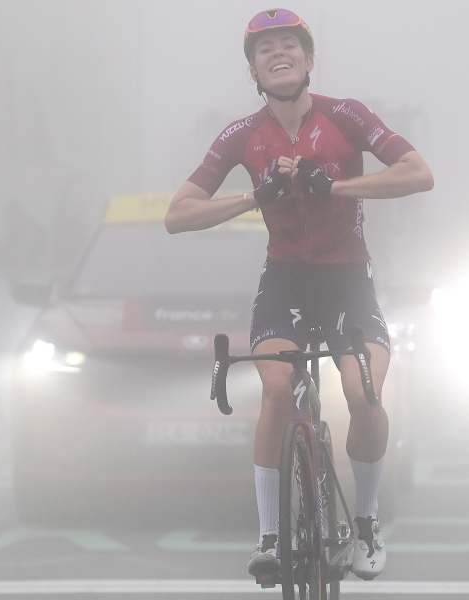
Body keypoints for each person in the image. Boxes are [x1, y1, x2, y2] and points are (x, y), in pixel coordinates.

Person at [164, 8, 433, 581]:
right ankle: (268, 535)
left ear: (309, 60)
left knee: (363, 396)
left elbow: (417, 173)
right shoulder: (241, 135)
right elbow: (177, 215)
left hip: (347, 279)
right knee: (277, 389)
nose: (278, 54)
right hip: (285, 279)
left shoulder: (346, 116)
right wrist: (252, 197)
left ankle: (365, 521)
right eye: (265, 50)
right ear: (254, 71)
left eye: (289, 45)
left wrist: (332, 185)